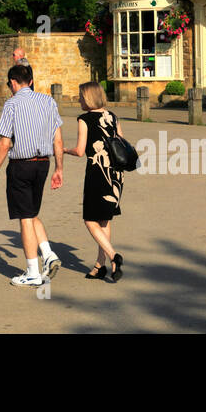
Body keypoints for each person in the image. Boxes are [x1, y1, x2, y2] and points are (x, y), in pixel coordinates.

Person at [0, 63, 64, 286]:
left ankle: (32, 271)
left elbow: (4, 142)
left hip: (21, 165)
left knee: (24, 217)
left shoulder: (11, 105)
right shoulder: (49, 101)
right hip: (43, 164)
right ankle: (48, 254)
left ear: (13, 83)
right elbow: (57, 139)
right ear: (30, 81)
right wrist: (59, 168)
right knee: (30, 213)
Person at [63, 81, 125, 281]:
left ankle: (114, 256)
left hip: (97, 172)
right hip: (115, 174)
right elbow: (121, 144)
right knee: (104, 219)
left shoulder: (84, 119)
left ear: (88, 97)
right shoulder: (112, 116)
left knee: (90, 220)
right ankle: (100, 266)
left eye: (80, 96)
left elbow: (80, 151)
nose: (78, 99)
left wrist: (64, 150)